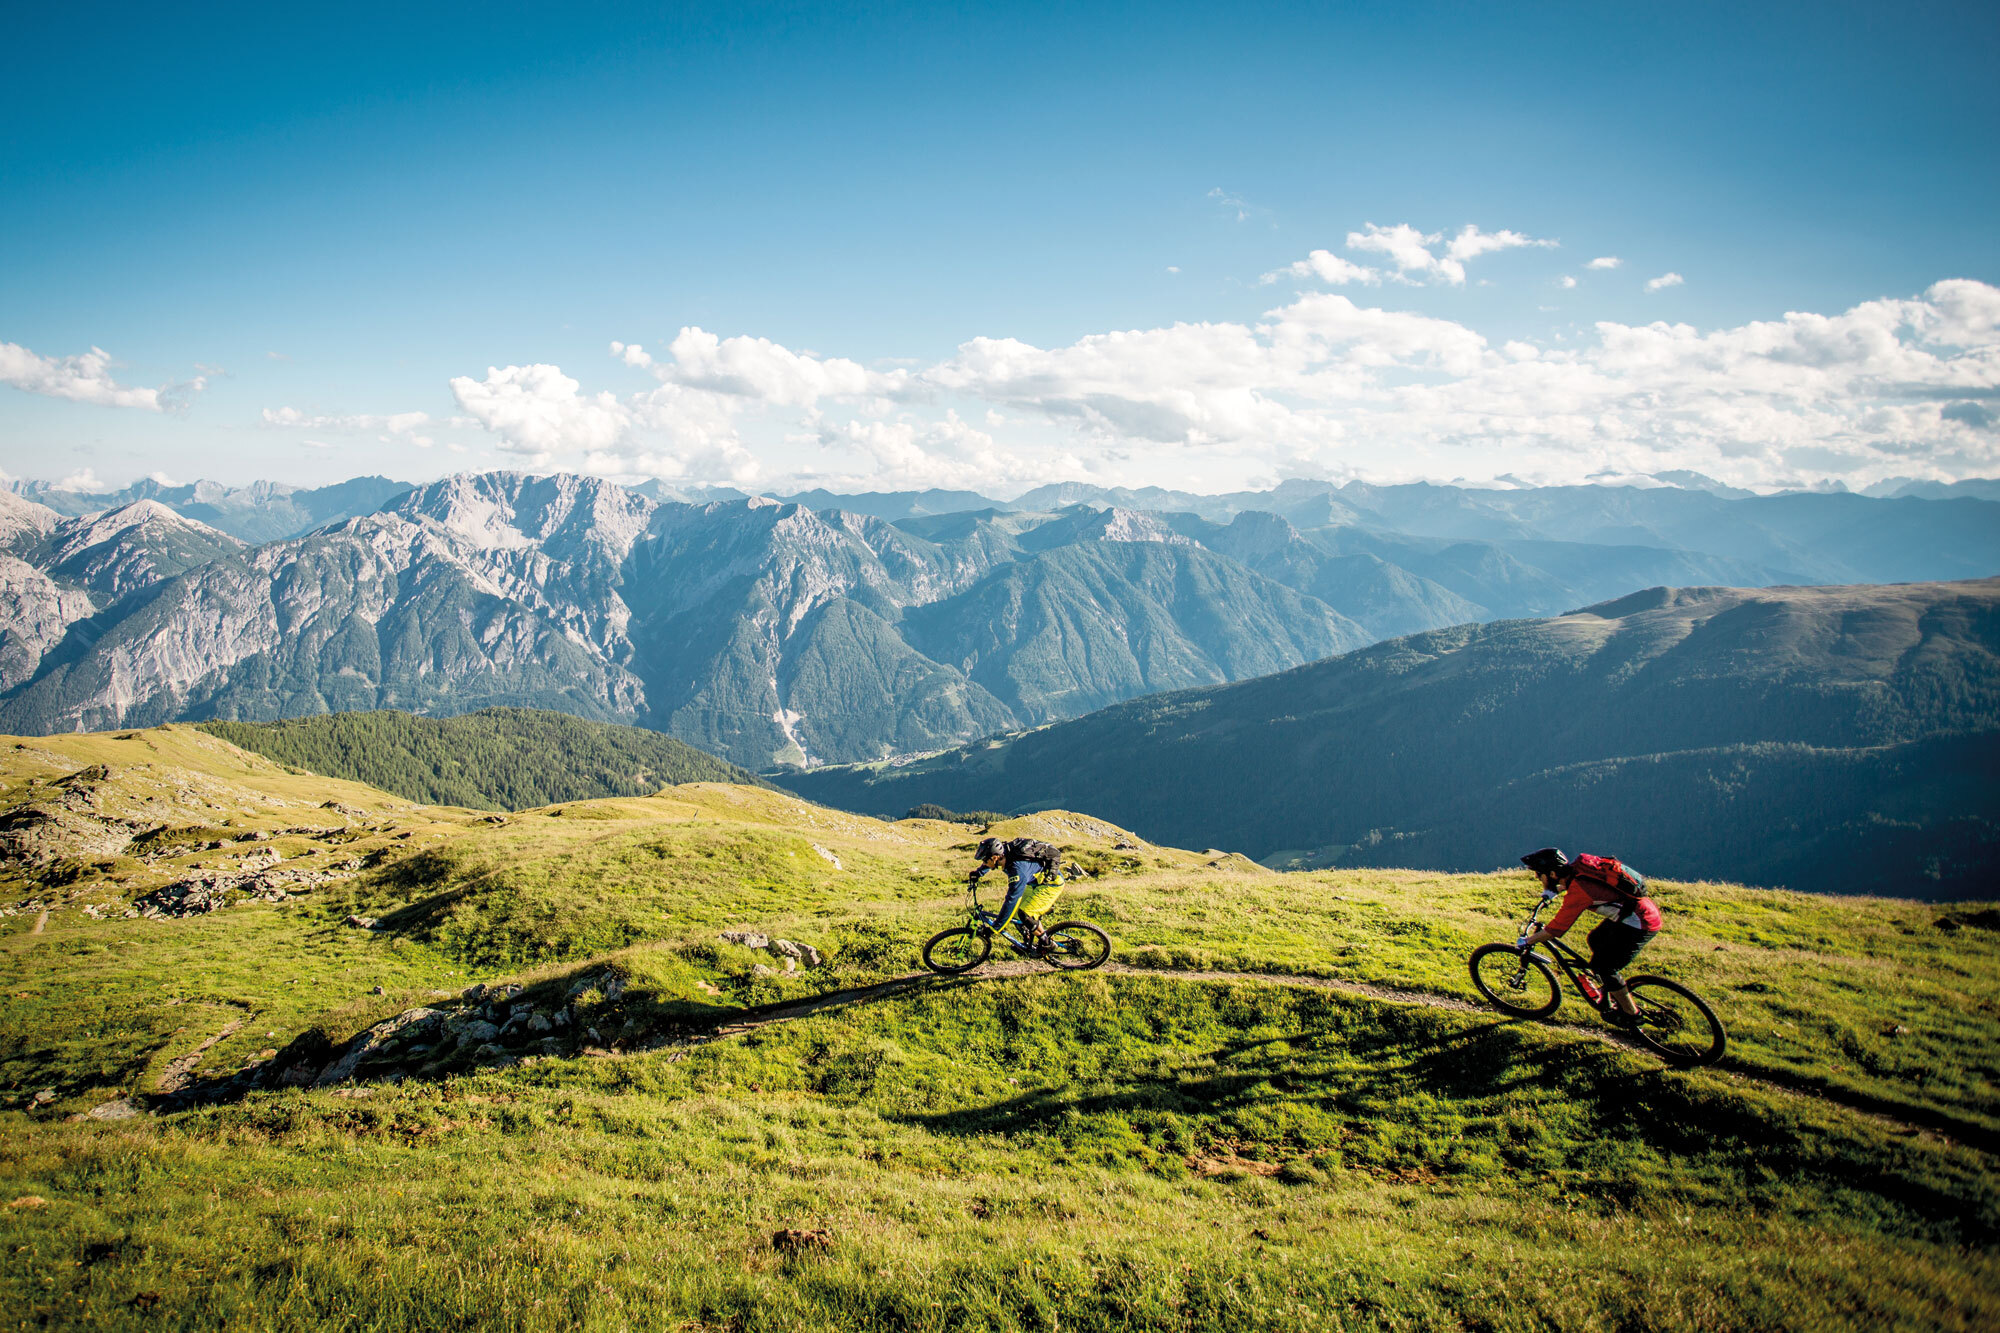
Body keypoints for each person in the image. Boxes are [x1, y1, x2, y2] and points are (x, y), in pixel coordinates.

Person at [1516, 847, 1662, 1024]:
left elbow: (1556, 929)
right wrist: (1553, 892)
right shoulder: (1578, 868)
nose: (1537, 878)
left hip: (1640, 923)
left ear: (1553, 873)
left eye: (1539, 874)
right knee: (1595, 939)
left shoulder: (1579, 892)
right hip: (1634, 913)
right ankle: (1610, 989)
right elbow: (1582, 885)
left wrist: (1527, 941)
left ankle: (1632, 1014)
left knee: (1605, 967)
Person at [969, 835, 1067, 950]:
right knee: (1016, 915)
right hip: (1035, 883)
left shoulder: (1017, 871)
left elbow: (1011, 901)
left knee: (1025, 914)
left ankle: (1047, 944)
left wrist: (995, 928)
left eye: (985, 860)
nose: (984, 863)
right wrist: (979, 873)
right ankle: (1028, 945)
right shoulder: (1005, 851)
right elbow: (989, 862)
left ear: (995, 857)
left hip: (1051, 885)